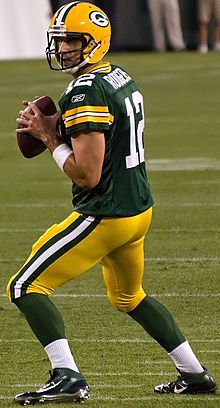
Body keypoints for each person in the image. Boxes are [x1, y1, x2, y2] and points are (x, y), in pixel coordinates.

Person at [7, 1, 217, 405]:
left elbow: (87, 173)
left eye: (70, 40)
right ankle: (195, 374)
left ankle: (67, 376)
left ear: (93, 42)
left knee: (25, 286)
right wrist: (61, 128)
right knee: (129, 297)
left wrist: (51, 137)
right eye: (60, 39)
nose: (62, 47)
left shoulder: (85, 89)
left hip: (106, 212)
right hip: (138, 208)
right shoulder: (117, 76)